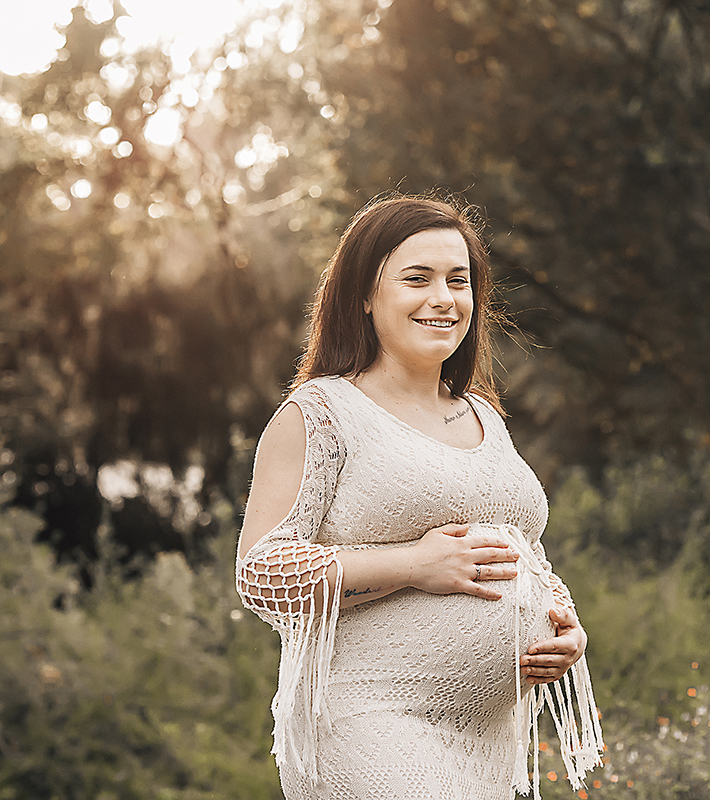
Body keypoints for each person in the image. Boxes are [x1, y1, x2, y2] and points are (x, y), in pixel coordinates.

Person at [234, 194, 603, 800]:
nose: (444, 299)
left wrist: (564, 626)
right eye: (417, 279)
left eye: (459, 281)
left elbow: (524, 553)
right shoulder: (322, 415)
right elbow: (261, 575)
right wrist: (413, 565)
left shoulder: (483, 414)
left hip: (482, 741)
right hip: (370, 721)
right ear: (363, 295)